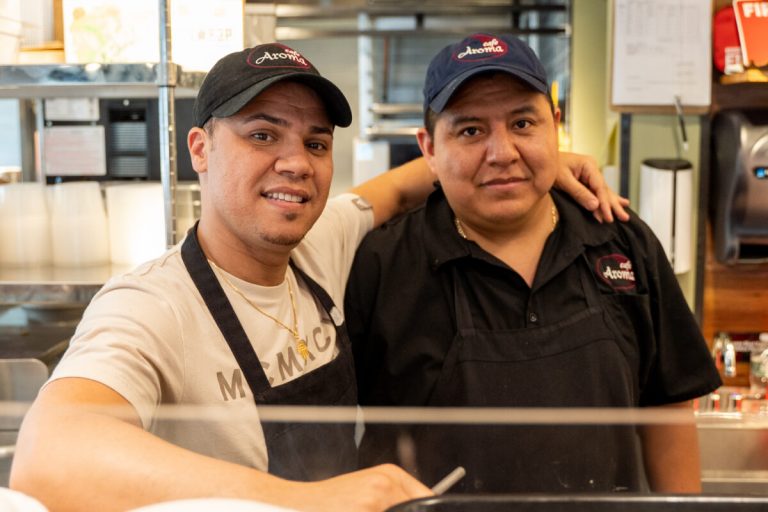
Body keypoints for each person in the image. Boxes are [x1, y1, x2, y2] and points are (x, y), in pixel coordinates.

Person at [11, 42, 624, 512]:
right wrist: (308, 502)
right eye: (262, 134)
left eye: (316, 143)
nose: (296, 163)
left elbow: (405, 183)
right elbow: (49, 457)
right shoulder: (150, 306)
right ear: (200, 149)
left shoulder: (319, 246)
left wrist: (533, 162)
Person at [345, 33, 722, 495]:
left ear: (554, 127)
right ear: (429, 149)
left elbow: (667, 409)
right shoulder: (380, 265)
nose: (503, 153)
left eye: (523, 123)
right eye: (471, 131)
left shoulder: (622, 240)